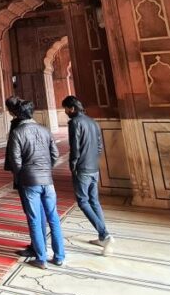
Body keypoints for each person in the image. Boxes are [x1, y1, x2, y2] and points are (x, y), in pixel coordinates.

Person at [7, 99, 65, 269]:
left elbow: (15, 161)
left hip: (29, 180)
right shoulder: (45, 130)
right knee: (53, 218)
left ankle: (41, 258)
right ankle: (60, 255)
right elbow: (55, 155)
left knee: (34, 218)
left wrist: (22, 175)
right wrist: (46, 170)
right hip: (47, 180)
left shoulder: (18, 132)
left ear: (18, 114)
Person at [64, 95, 114, 255]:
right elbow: (99, 146)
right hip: (94, 167)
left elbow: (75, 147)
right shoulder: (93, 122)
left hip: (83, 168)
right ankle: (102, 235)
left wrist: (73, 164)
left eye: (66, 108)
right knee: (94, 200)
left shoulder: (75, 123)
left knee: (83, 201)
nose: (65, 112)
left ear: (71, 108)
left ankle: (105, 234)